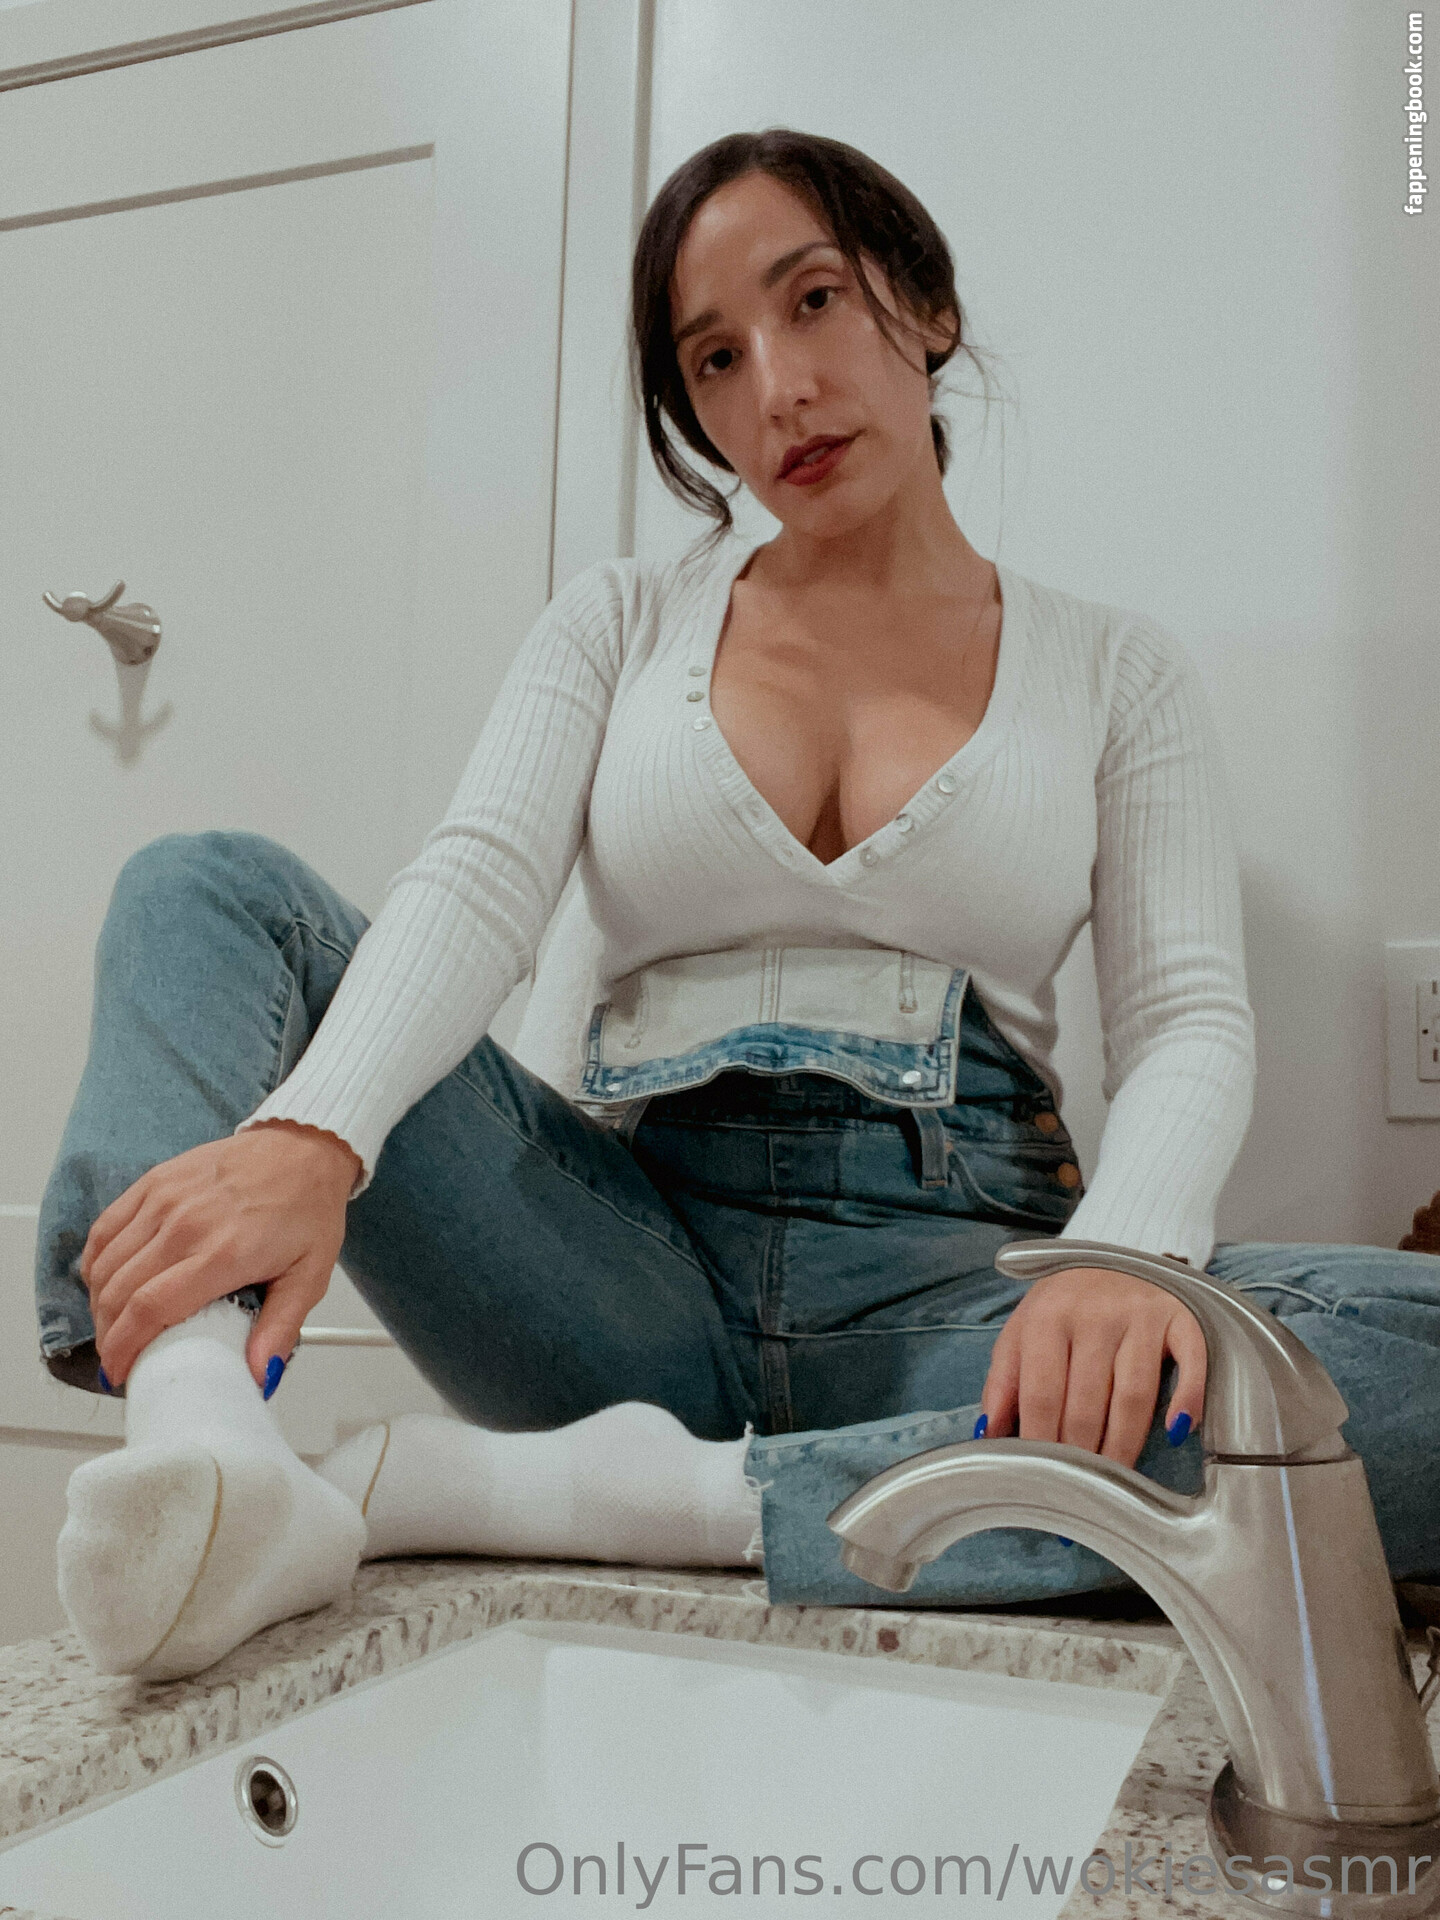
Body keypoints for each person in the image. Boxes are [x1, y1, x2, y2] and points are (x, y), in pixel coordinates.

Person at [34, 130, 1440, 1686]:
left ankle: (568, 1500)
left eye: (814, 299)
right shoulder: (620, 620)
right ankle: (201, 1445)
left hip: (949, 1302)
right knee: (204, 889)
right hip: (610, 1265)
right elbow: (477, 885)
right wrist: (318, 1136)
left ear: (928, 306)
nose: (776, 389)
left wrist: (1125, 1254)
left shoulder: (1116, 668)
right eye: (714, 358)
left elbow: (1186, 1019)